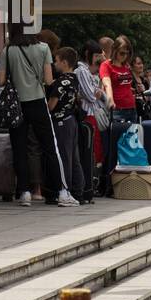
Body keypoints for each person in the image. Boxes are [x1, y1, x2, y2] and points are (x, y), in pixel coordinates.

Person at [0, 21, 80, 207]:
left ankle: (24, 192)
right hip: (38, 102)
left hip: (17, 105)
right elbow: (49, 79)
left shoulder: (8, 50)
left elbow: (1, 80)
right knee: (50, 147)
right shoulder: (43, 48)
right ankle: (62, 191)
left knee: (20, 149)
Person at [47, 47, 85, 208]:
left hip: (61, 122)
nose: (54, 64)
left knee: (63, 157)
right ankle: (78, 191)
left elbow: (51, 106)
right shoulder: (74, 79)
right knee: (74, 158)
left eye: (56, 61)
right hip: (71, 121)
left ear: (64, 62)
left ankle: (65, 191)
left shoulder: (62, 81)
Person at [74, 40, 106, 171]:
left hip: (93, 115)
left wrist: (97, 92)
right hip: (87, 116)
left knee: (96, 150)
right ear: (88, 54)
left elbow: (100, 95)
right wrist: (97, 93)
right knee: (91, 150)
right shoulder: (81, 71)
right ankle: (91, 182)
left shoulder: (88, 72)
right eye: (97, 55)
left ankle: (94, 180)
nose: (99, 59)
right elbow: (91, 96)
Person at [100, 35, 144, 125]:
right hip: (117, 110)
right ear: (115, 50)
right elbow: (107, 83)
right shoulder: (106, 65)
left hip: (132, 109)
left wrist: (137, 89)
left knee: (131, 138)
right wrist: (110, 98)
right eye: (122, 53)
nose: (125, 56)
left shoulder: (127, 66)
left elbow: (125, 86)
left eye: (127, 53)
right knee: (117, 138)